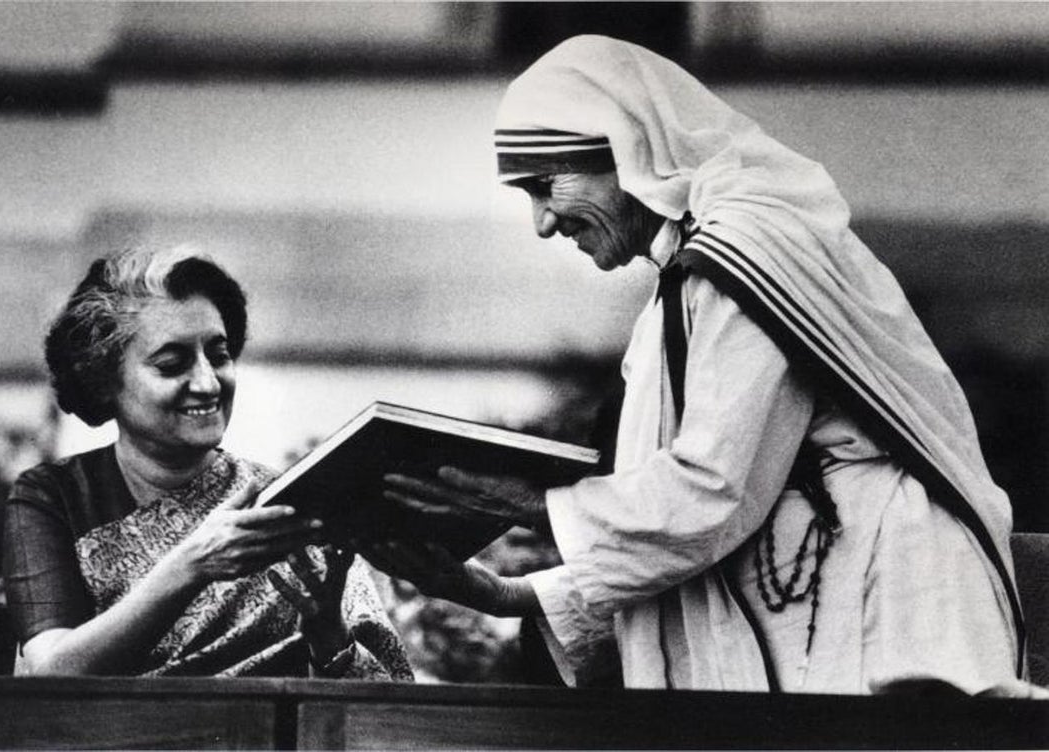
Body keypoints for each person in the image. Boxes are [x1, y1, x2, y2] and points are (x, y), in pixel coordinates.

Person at [366, 35, 1029, 695]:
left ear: (628, 153)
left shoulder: (743, 252)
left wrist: (535, 504)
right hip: (828, 595)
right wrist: (507, 594)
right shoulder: (703, 260)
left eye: (545, 186)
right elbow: (723, 509)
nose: (542, 222)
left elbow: (713, 493)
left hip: (886, 608)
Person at [3, 246, 412, 680]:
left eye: (218, 356)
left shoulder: (287, 501)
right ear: (104, 381)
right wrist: (193, 564)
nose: (207, 382)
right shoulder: (53, 497)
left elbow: (383, 708)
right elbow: (53, 676)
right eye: (172, 364)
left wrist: (330, 640)